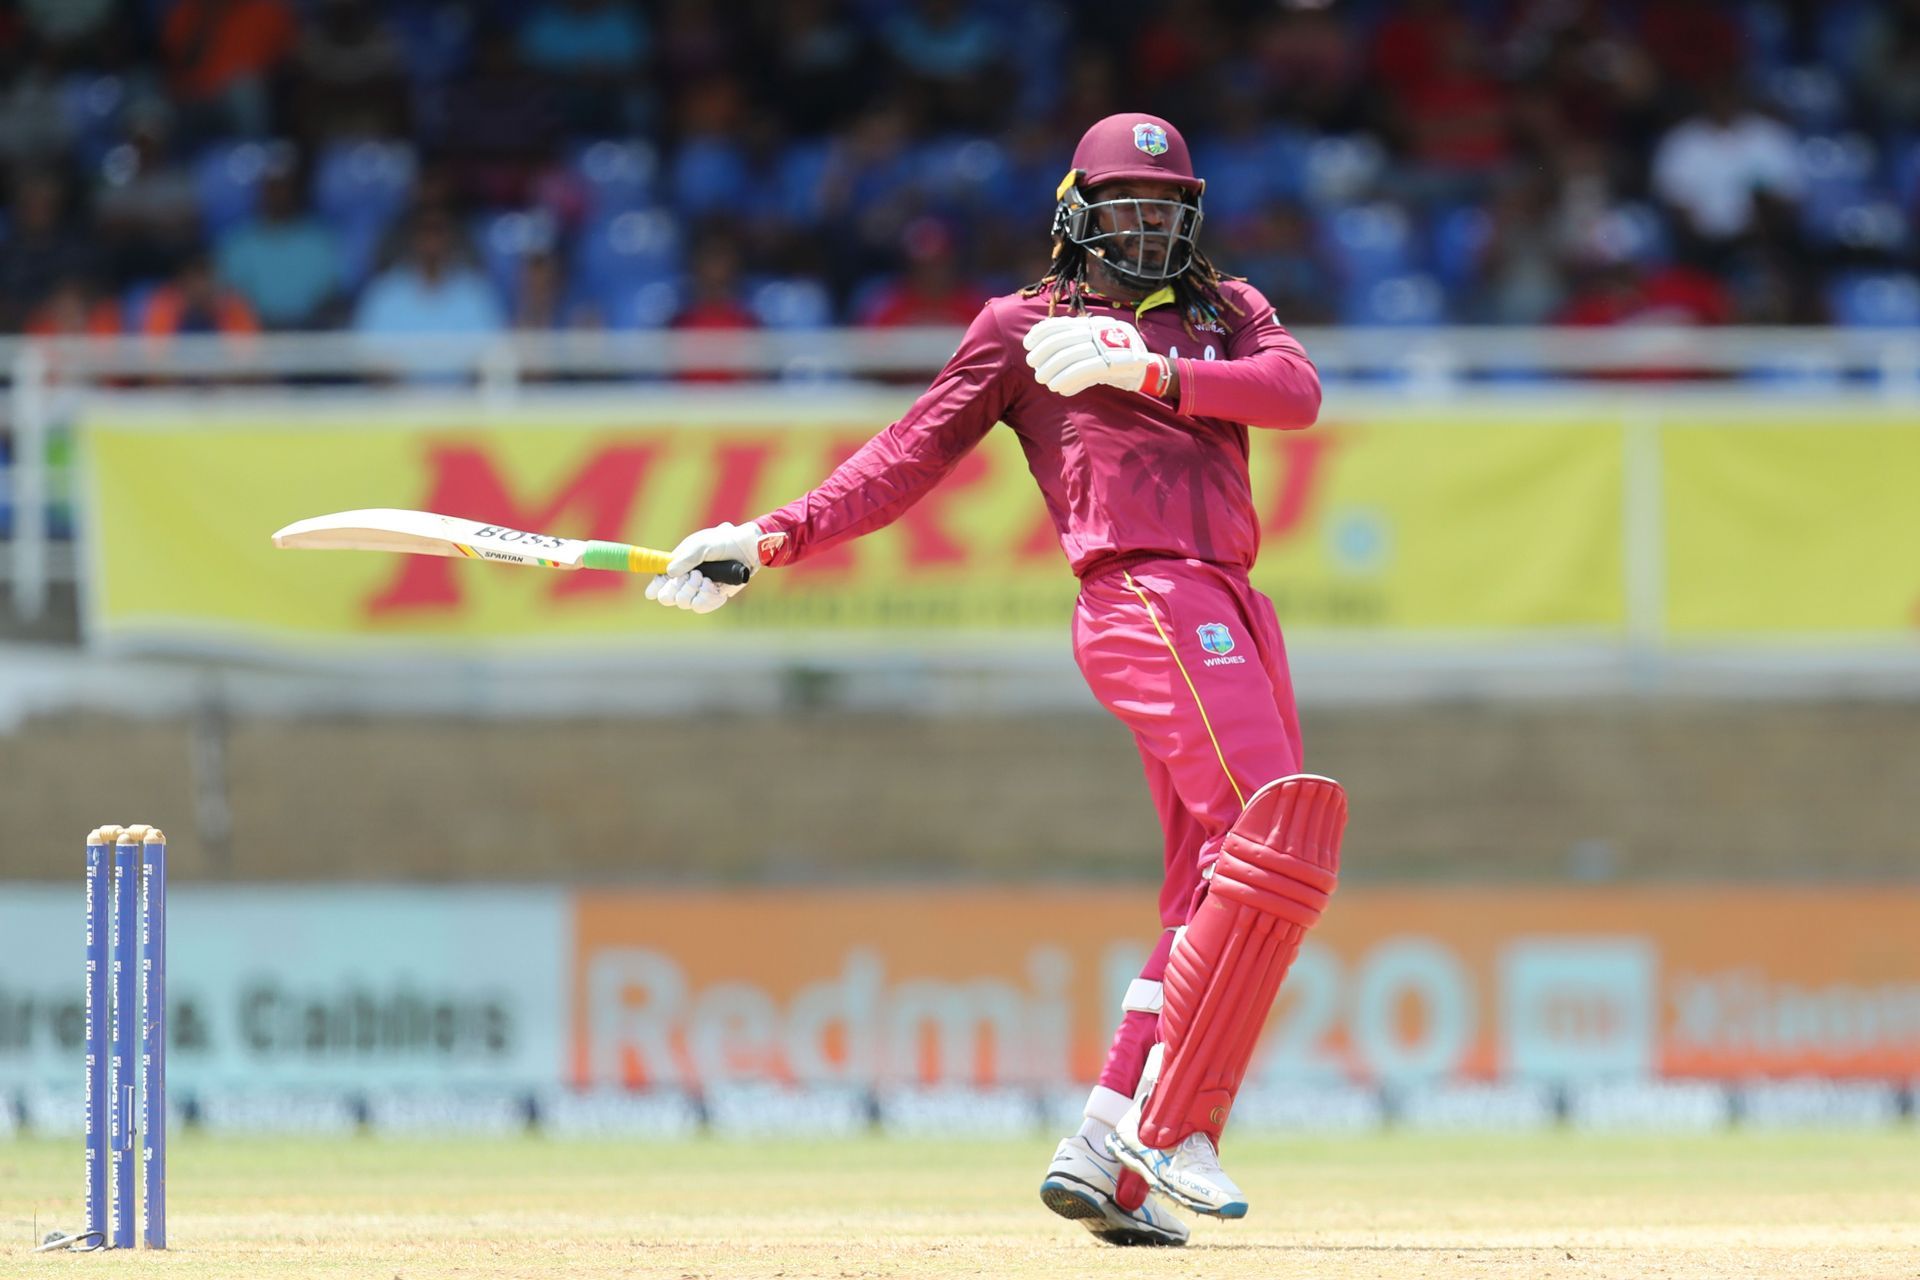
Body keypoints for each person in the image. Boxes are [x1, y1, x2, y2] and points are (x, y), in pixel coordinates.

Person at [644, 113, 1346, 1247]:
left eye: (1168, 208)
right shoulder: (1022, 326)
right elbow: (908, 453)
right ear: (1077, 214)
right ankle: (1170, 1129)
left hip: (1234, 602)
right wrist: (770, 537)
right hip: (1143, 591)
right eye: (1126, 206)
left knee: (1208, 891)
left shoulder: (1228, 310)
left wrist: (1156, 368)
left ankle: (1105, 1146)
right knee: (1276, 838)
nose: (1150, 226)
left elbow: (1296, 393)